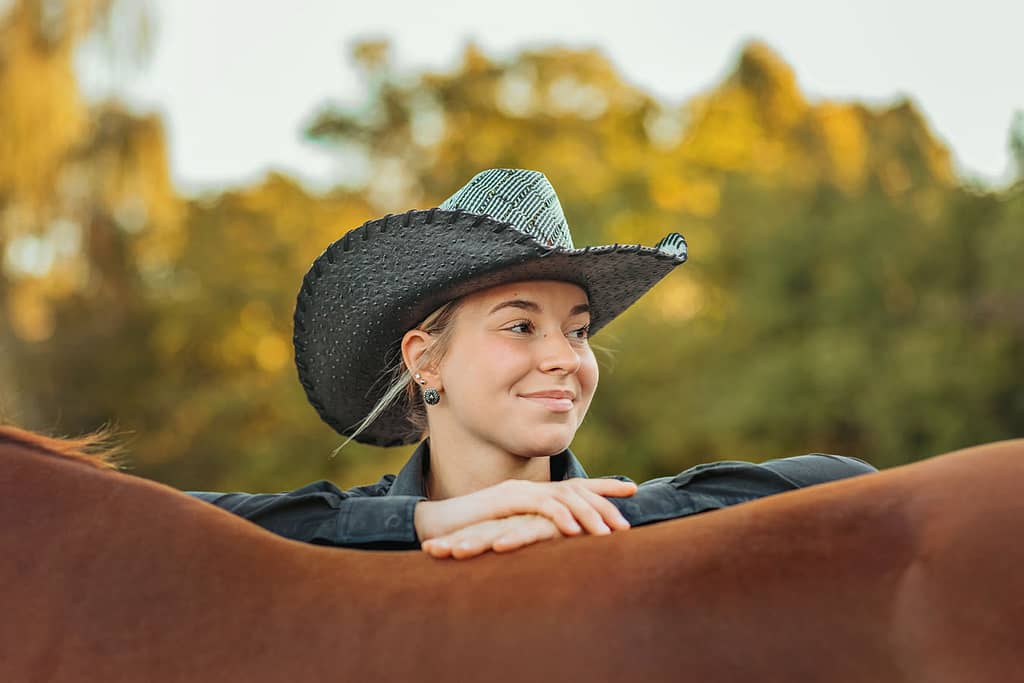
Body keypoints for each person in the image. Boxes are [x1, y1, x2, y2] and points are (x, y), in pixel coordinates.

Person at [188, 168, 876, 560]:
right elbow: (167, 523)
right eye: (521, 325)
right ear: (427, 361)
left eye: (577, 333)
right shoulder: (349, 533)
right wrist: (425, 523)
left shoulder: (628, 521)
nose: (563, 358)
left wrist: (583, 512)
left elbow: (853, 484)